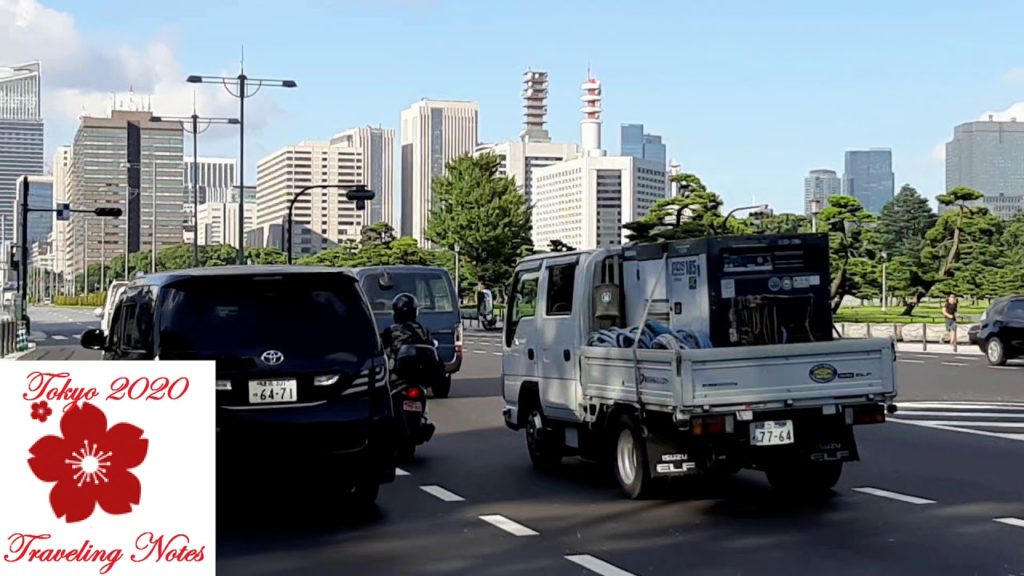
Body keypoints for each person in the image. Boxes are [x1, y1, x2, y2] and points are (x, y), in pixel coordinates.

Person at [380, 292, 434, 360]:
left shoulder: (390, 331)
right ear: (415, 312)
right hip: (422, 368)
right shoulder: (424, 332)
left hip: (400, 368)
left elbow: (380, 349)